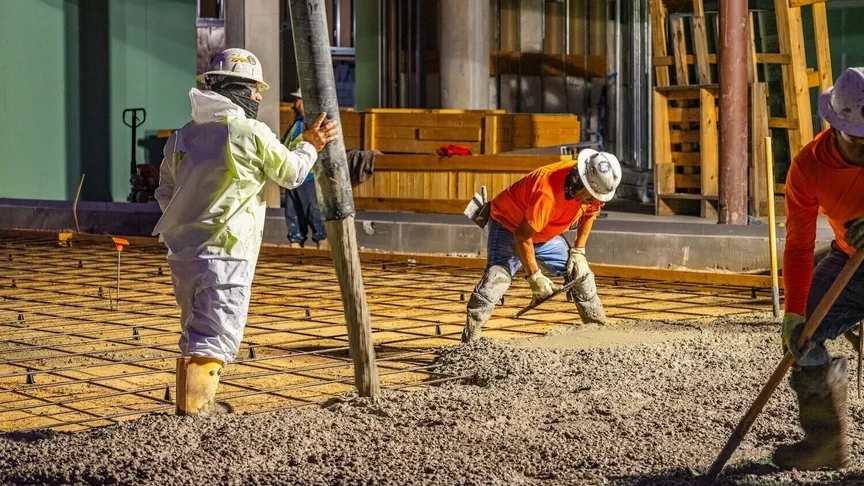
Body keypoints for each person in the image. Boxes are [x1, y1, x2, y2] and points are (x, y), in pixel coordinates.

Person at [152, 48, 339, 416]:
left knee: (195, 329)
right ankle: (197, 412)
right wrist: (309, 145)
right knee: (215, 335)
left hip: (183, 253)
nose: (258, 97)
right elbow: (290, 173)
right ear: (237, 88)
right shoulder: (248, 132)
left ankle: (191, 406)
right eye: (255, 89)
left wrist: (194, 219)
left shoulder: (182, 137)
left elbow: (163, 194)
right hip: (227, 253)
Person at [776, 67, 864, 470]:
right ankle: (826, 443)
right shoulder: (809, 167)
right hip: (852, 260)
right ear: (838, 128)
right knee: (804, 337)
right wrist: (793, 314)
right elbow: (797, 246)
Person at [461, 149, 622, 343]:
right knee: (498, 277)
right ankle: (470, 339)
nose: (594, 201)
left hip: (543, 232)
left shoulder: (593, 189)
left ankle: (597, 328)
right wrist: (535, 276)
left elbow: (590, 213)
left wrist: (579, 250)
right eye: (590, 197)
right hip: (509, 225)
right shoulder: (547, 194)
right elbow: (522, 236)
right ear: (580, 182)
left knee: (580, 273)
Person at [282, 87, 328, 249]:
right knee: (293, 212)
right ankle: (295, 242)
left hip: (308, 176)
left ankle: (321, 243)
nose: (295, 104)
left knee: (312, 211)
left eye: (298, 100)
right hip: (293, 175)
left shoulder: (311, 126)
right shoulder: (298, 125)